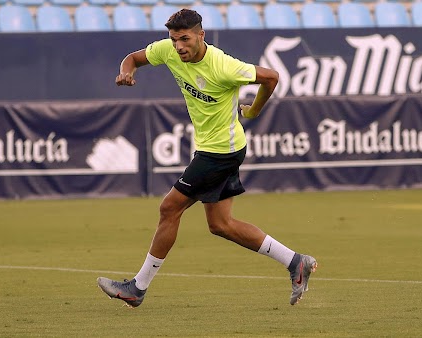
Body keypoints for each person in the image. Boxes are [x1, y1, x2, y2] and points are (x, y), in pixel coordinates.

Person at [97, 8, 317, 307]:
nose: (178, 46)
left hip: (220, 152)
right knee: (221, 225)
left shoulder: (223, 66)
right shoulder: (169, 51)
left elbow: (272, 77)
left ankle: (138, 287)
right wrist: (127, 72)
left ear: (201, 35)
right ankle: (295, 262)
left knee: (169, 208)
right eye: (174, 39)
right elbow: (133, 58)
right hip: (218, 148)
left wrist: (253, 110)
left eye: (185, 39)